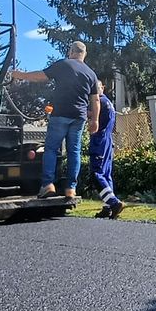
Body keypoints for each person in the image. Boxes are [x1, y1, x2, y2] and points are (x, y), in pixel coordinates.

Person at [11, 41, 99, 199]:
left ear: (71, 51)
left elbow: (40, 77)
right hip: (79, 117)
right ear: (84, 54)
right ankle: (71, 189)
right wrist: (95, 121)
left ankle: (47, 185)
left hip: (61, 114)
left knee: (51, 149)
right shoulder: (91, 73)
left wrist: (21, 75)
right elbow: (96, 100)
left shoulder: (64, 64)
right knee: (74, 151)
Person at [89, 79, 125, 219]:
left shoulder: (99, 103)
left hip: (99, 140)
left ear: (102, 88)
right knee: (106, 174)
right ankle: (108, 207)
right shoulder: (109, 102)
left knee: (96, 174)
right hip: (108, 140)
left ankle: (113, 203)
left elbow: (89, 115)